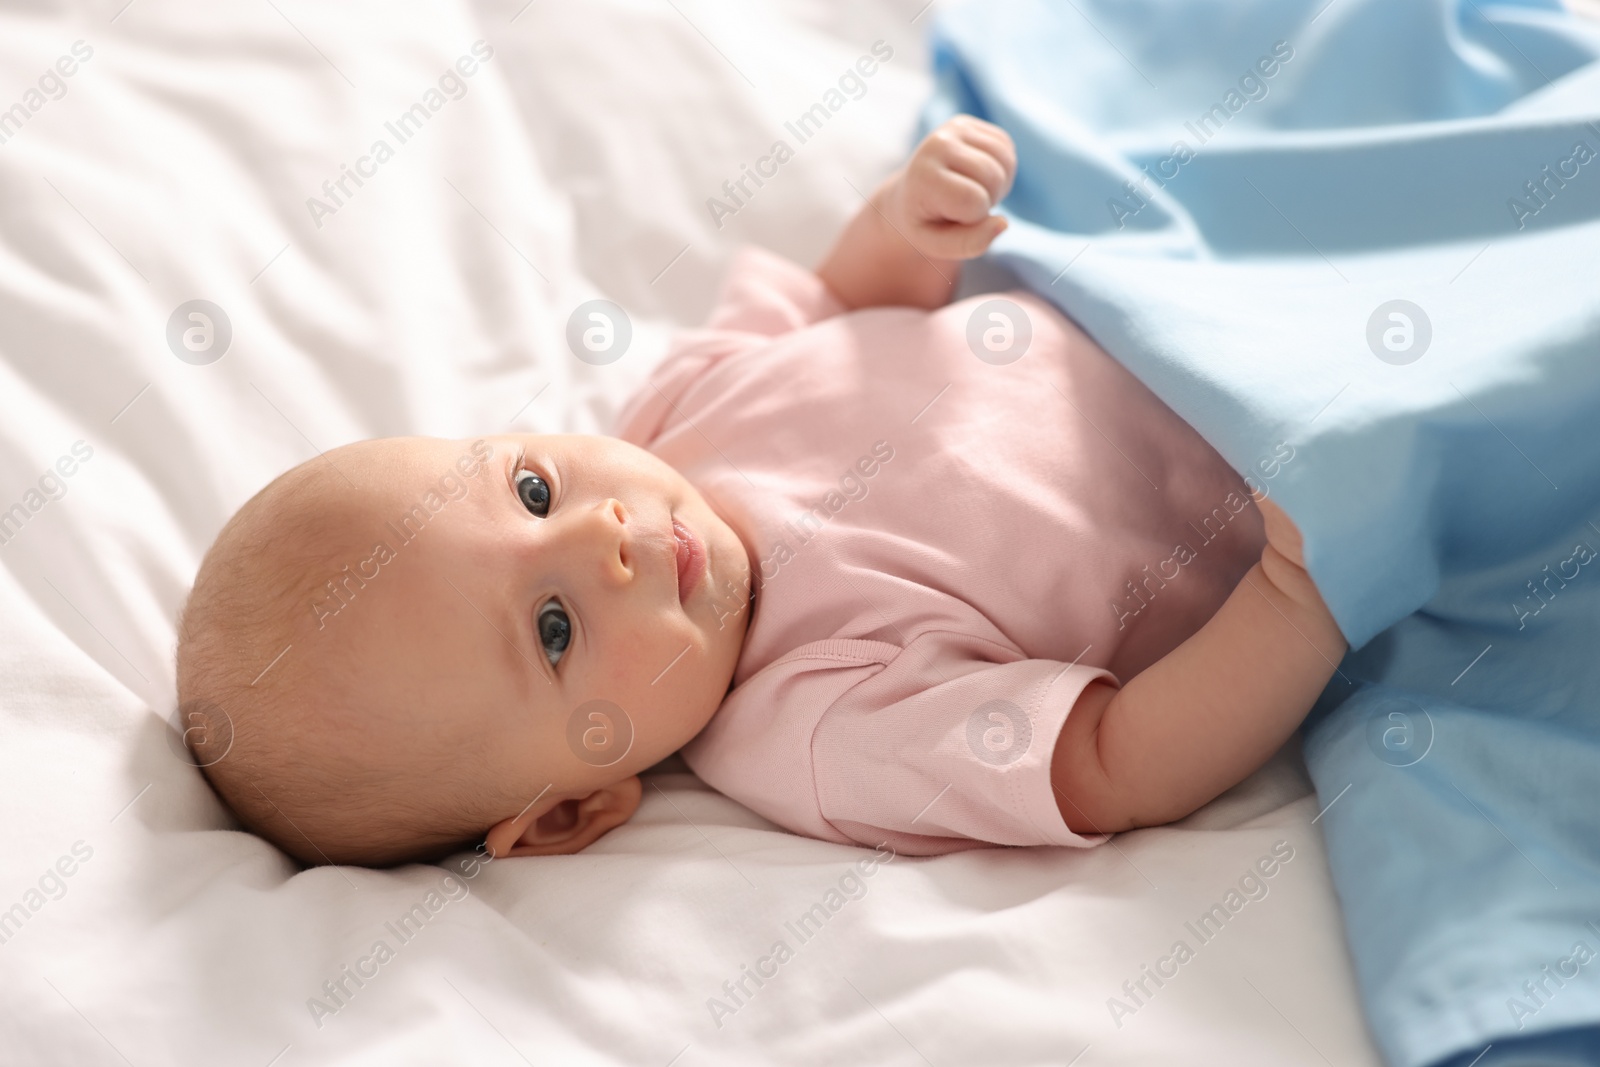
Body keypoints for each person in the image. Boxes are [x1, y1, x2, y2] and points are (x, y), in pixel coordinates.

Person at [175, 116, 1346, 867]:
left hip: (1182, 295)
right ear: (576, 806)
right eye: (553, 626)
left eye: (532, 490)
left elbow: (842, 304)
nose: (604, 536)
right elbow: (1108, 762)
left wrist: (907, 223)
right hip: (1290, 464)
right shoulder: (820, 726)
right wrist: (1296, 598)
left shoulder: (677, 412)